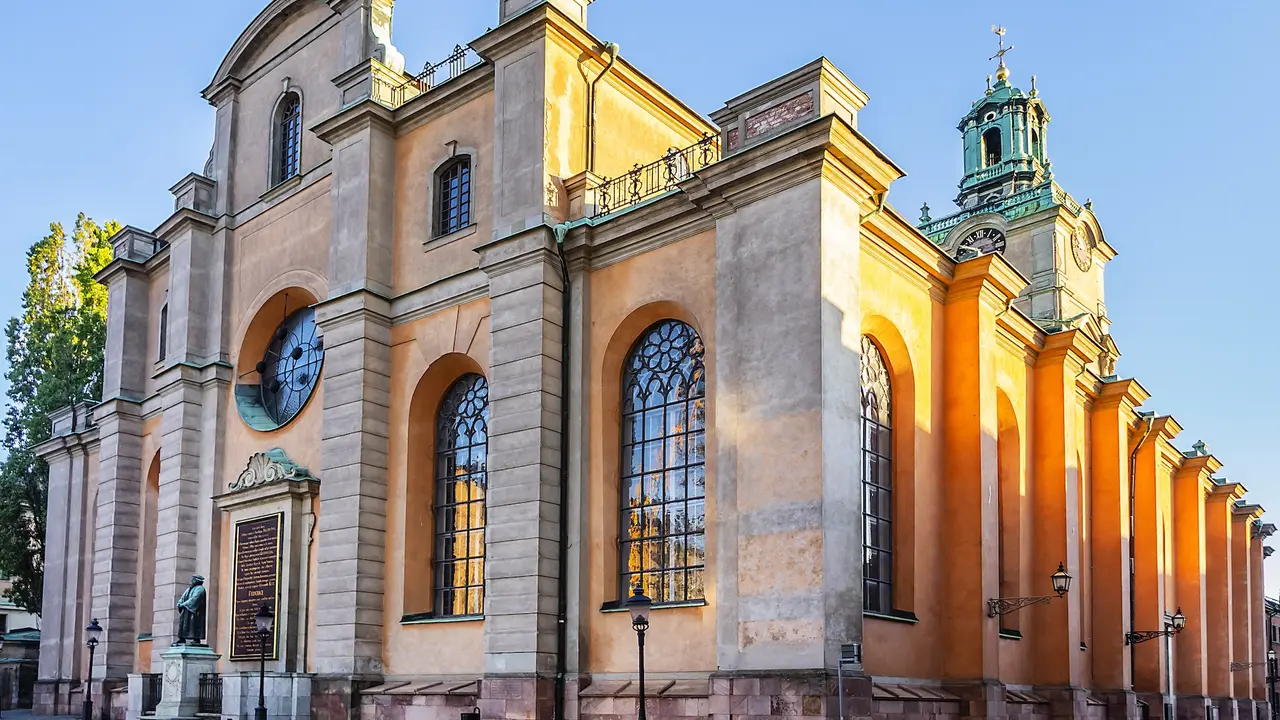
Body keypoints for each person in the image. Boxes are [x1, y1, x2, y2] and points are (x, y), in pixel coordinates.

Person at [176, 574, 207, 646]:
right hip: (186, 610)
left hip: (195, 611)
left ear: (197, 581)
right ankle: (181, 638)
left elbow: (194, 599)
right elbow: (183, 597)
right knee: (182, 624)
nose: (192, 581)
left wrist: (184, 604)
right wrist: (180, 603)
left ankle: (196, 639)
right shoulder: (190, 589)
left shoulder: (200, 589)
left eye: (193, 579)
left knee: (194, 625)